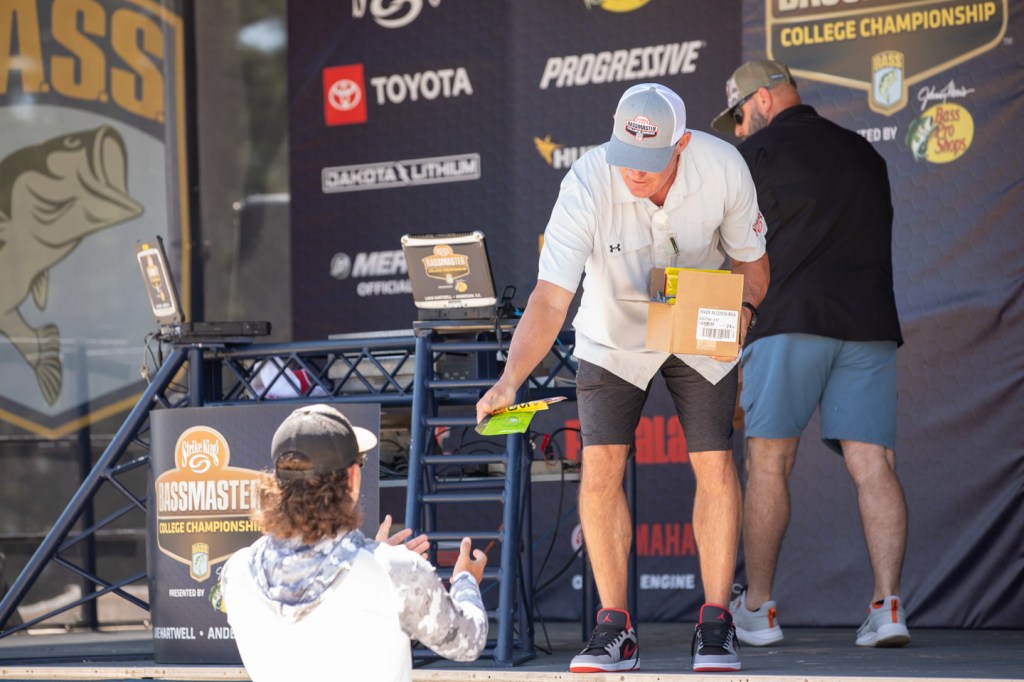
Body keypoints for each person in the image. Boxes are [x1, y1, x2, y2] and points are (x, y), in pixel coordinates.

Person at [476, 83, 769, 673]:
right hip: (612, 332)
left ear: (681, 144)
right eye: (625, 157)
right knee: (601, 466)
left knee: (715, 463)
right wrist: (509, 380)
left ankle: (717, 623)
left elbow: (752, 263)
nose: (633, 172)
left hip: (697, 323)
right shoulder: (586, 181)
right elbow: (550, 298)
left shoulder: (724, 166)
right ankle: (615, 628)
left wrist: (743, 310)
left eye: (649, 160)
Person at [710, 60, 910, 648]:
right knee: (875, 465)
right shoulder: (866, 154)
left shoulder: (752, 155)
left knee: (769, 462)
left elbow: (730, 254)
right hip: (868, 324)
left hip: (787, 320)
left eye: (739, 115)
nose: (738, 129)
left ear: (764, 100)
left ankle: (758, 609)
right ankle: (888, 608)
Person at [220, 404, 489, 681]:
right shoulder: (394, 571)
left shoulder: (235, 571)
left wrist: (376, 555)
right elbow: (469, 642)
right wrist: (465, 580)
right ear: (353, 477)